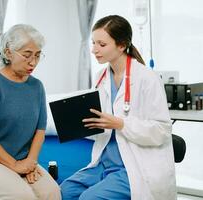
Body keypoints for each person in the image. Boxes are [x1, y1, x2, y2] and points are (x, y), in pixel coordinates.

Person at [60, 15, 176, 200]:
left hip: (134, 166)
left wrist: (121, 124)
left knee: (88, 198)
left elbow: (162, 130)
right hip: (104, 162)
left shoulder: (147, 78)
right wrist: (76, 123)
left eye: (101, 44)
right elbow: (100, 124)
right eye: (93, 43)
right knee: (62, 193)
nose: (94, 50)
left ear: (121, 45)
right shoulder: (101, 77)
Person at [0, 24, 61, 200]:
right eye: (27, 55)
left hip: (24, 160)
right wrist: (15, 165)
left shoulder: (36, 86)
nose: (33, 62)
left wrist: (30, 163)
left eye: (38, 55)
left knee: (53, 193)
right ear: (8, 52)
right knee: (23, 196)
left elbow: (40, 131)